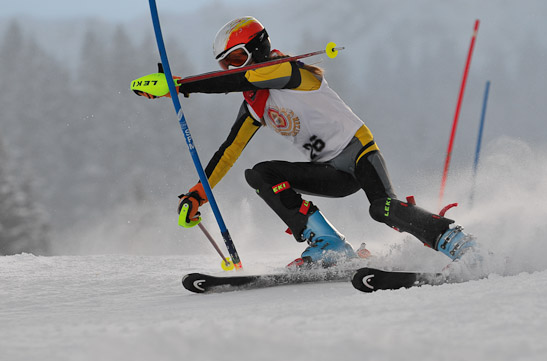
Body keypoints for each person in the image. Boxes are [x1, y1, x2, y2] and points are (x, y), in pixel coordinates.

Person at [134, 16, 474, 267]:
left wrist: (181, 86)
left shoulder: (289, 71)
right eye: (224, 63)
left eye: (235, 59)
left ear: (257, 49)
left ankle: (452, 239)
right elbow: (227, 153)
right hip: (330, 171)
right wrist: (197, 195)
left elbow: (243, 77)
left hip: (359, 154)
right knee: (260, 173)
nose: (228, 69)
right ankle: (329, 244)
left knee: (381, 208)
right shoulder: (256, 103)